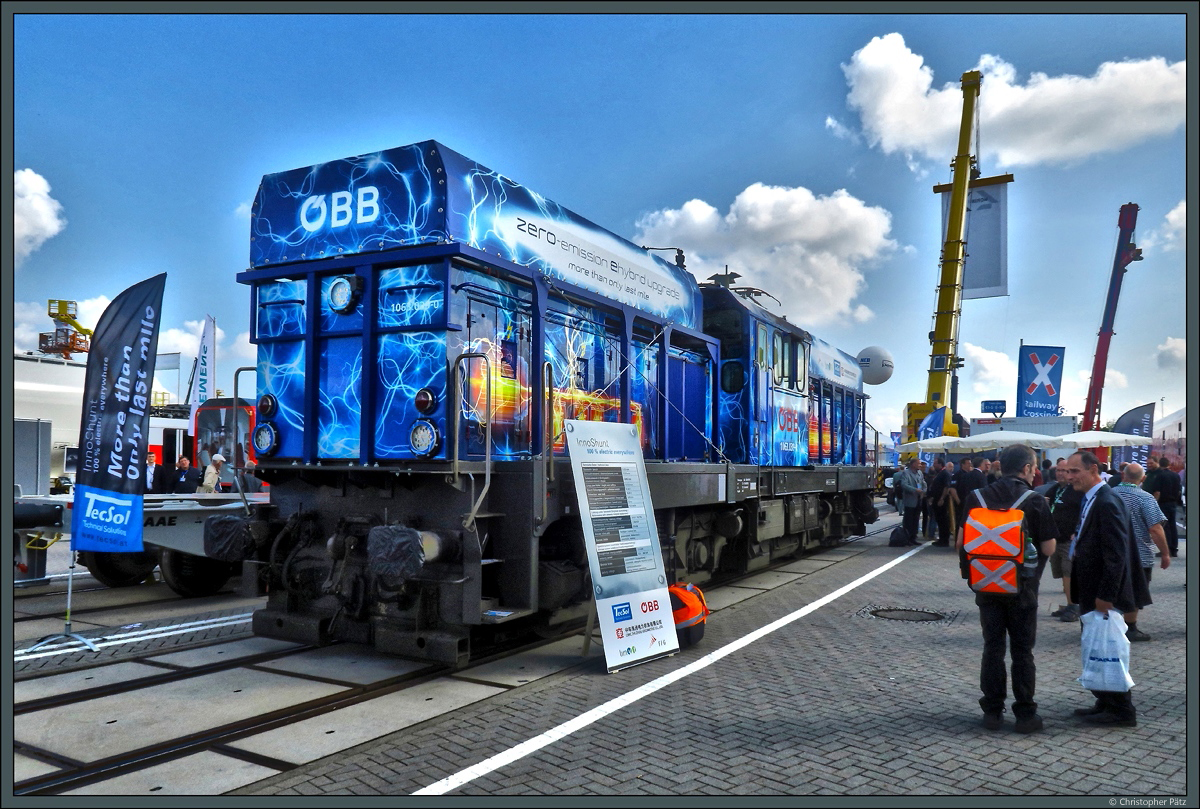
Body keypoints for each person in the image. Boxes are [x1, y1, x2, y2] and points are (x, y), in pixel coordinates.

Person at [956, 444, 1057, 733]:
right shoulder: (1035, 500)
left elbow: (962, 542)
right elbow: (1049, 546)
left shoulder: (976, 497)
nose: (1036, 472)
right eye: (1034, 467)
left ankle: (992, 712)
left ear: (1001, 466)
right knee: (1023, 652)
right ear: (1026, 468)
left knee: (993, 648)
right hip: (1023, 589)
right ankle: (1026, 715)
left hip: (986, 586)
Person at [1064, 450, 1143, 728]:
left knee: (1109, 648)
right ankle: (1104, 701)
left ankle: (1121, 710)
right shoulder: (1092, 498)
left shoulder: (1108, 500)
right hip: (1091, 589)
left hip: (1102, 593)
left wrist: (1106, 595)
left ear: (1094, 469)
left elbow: (1115, 553)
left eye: (1075, 471)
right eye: (1068, 471)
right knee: (1096, 646)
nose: (1069, 476)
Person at [1113, 463, 1169, 641]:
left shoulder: (1108, 493)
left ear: (1123, 476)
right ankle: (1130, 628)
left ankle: (1110, 625)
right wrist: (1165, 553)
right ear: (1142, 479)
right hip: (1138, 555)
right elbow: (1155, 528)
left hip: (1111, 552)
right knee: (1135, 591)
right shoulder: (1145, 498)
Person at [1044, 469, 1085, 623]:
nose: (1061, 473)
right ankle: (1069, 604)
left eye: (1065, 471)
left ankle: (1074, 606)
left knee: (1069, 572)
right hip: (1056, 538)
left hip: (1069, 539)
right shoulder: (1055, 489)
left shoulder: (1077, 491)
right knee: (1061, 572)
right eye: (1059, 470)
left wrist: (1078, 530)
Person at [1144, 456, 1182, 558]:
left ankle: (1167, 549)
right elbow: (1179, 491)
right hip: (1173, 503)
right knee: (1172, 526)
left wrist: (1154, 504)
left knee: (1164, 526)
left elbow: (1157, 492)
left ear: (1159, 464)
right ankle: (1173, 549)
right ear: (1169, 464)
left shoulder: (1160, 476)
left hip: (1163, 503)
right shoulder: (1176, 475)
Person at [894, 458, 927, 544]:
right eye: (918, 463)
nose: (920, 465)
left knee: (916, 519)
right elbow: (904, 485)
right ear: (913, 464)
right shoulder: (906, 473)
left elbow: (923, 483)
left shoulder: (919, 473)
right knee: (908, 520)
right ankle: (907, 537)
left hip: (918, 499)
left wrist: (924, 491)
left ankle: (913, 537)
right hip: (910, 500)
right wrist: (915, 490)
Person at [927, 457, 953, 546]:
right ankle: (941, 539)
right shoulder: (939, 473)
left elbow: (947, 487)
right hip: (936, 499)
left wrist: (942, 498)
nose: (934, 465)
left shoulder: (945, 473)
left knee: (943, 520)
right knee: (939, 519)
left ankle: (944, 540)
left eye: (935, 463)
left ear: (940, 464)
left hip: (941, 501)